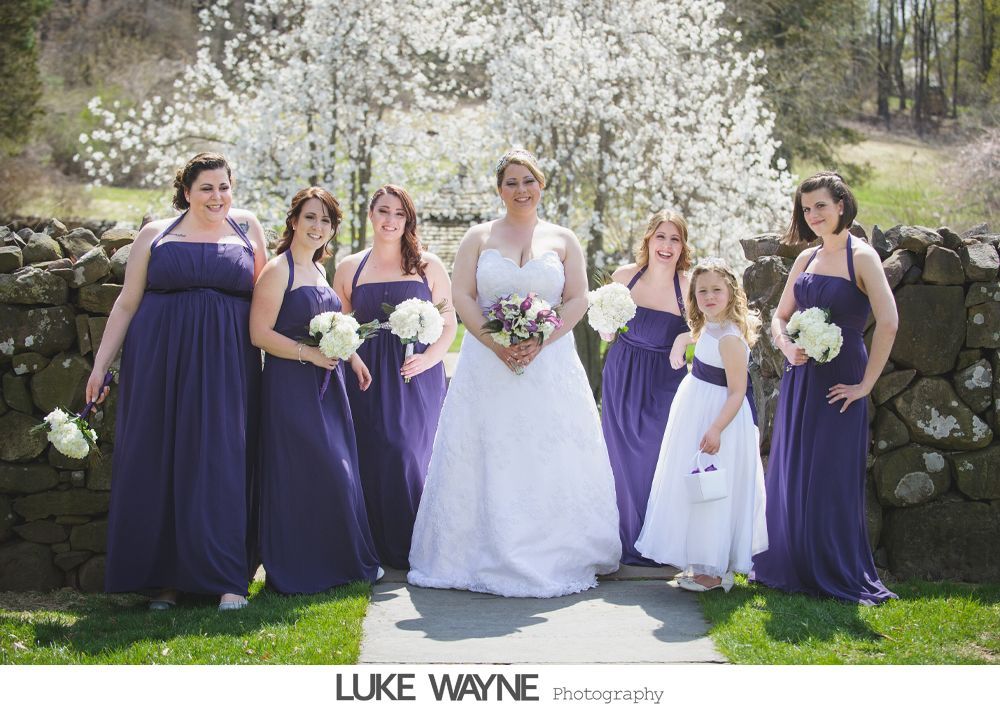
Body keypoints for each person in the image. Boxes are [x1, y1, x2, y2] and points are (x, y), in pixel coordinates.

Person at [407, 149, 621, 598]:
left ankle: (558, 549)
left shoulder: (563, 238)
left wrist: (542, 340)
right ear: (499, 189)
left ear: (540, 185)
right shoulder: (478, 237)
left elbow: (578, 297)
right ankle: (476, 549)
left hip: (551, 361)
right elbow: (463, 296)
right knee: (491, 447)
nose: (521, 190)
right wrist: (493, 342)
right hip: (488, 363)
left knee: (550, 451)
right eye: (511, 182)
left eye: (528, 181)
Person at [86, 152, 267, 611]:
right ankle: (165, 582)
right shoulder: (156, 234)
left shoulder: (248, 230)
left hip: (229, 364)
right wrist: (100, 366)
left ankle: (228, 579)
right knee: (162, 458)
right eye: (206, 188)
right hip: (160, 362)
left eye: (224, 187)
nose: (217, 197)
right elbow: (127, 303)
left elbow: (271, 296)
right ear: (185, 191)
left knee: (223, 459)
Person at [750, 172, 898, 605]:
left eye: (820, 206)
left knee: (830, 473)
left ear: (841, 205)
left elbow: (888, 322)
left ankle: (832, 568)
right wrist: (784, 344)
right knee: (793, 465)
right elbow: (780, 317)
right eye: (806, 208)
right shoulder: (806, 259)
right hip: (801, 376)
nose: (813, 215)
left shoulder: (863, 257)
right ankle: (792, 562)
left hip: (841, 379)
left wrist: (865, 385)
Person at [250, 186, 381, 593]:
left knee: (337, 471)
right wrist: (307, 355)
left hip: (329, 384)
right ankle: (297, 568)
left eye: (326, 220)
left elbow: (335, 325)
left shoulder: (321, 270)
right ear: (293, 221)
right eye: (310, 217)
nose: (317, 226)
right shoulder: (279, 270)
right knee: (305, 471)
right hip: (291, 385)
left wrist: (354, 358)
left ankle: (337, 561)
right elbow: (259, 334)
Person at [333, 185, 454, 570]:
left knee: (408, 453)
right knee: (372, 453)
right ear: (371, 215)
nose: (390, 220)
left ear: (408, 220)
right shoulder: (350, 268)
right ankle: (377, 548)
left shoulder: (427, 265)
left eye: (399, 213)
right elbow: (341, 327)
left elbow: (449, 322)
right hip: (365, 371)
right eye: (383, 211)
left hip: (413, 372)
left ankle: (415, 545)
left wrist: (429, 359)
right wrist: (352, 359)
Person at [635, 259, 768, 591]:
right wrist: (683, 341)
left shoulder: (730, 339)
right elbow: (697, 336)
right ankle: (700, 562)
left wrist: (715, 429)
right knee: (696, 487)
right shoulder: (711, 325)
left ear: (731, 293)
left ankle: (714, 570)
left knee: (713, 492)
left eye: (716, 290)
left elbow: (738, 392)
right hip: (697, 409)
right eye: (702, 291)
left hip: (719, 416)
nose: (709, 296)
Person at [601, 210, 692, 566]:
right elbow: (605, 320)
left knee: (654, 454)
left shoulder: (687, 285)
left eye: (674, 239)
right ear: (648, 240)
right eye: (660, 237)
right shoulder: (625, 276)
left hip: (665, 379)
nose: (666, 245)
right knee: (620, 456)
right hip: (622, 373)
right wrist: (605, 328)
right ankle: (626, 538)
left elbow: (711, 325)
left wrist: (684, 336)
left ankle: (658, 539)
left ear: (682, 246)